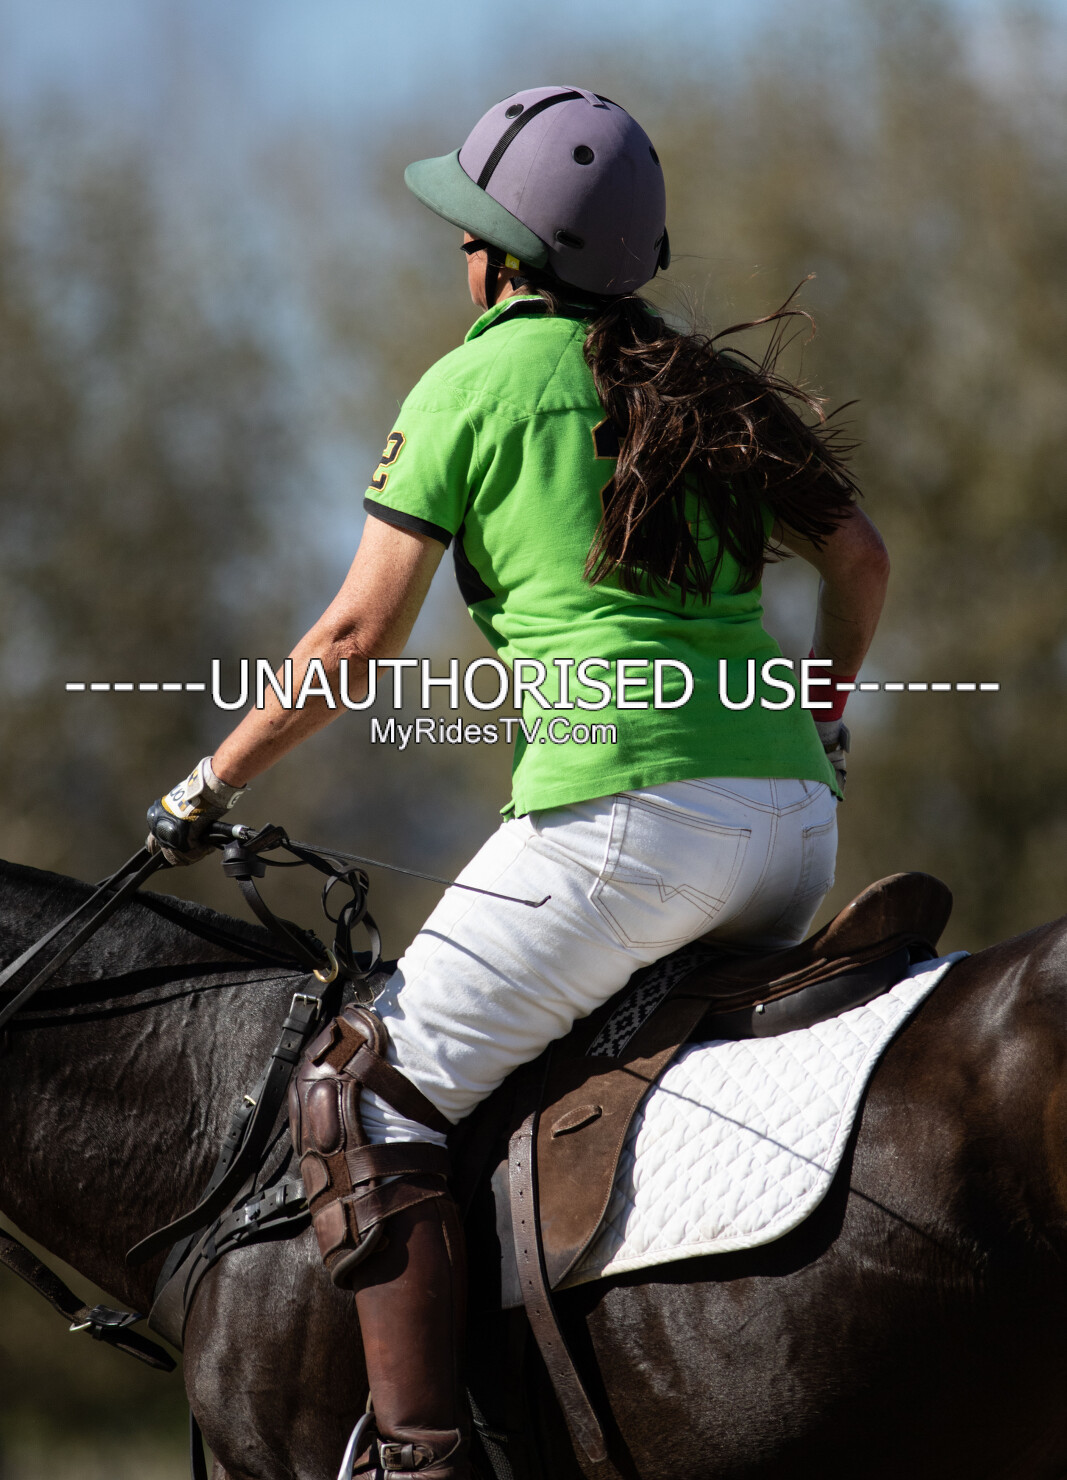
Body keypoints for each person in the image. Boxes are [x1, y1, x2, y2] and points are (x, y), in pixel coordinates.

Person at [147, 86, 889, 1480]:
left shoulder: (471, 384)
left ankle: (418, 1458)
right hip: (795, 827)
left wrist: (205, 786)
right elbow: (861, 558)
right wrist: (822, 705)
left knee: (359, 1094)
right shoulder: (707, 385)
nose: (458, 253)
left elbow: (352, 642)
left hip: (627, 822)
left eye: (468, 231)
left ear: (506, 255)